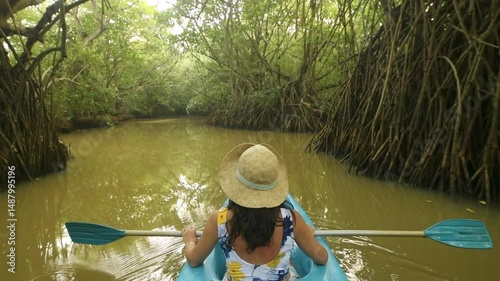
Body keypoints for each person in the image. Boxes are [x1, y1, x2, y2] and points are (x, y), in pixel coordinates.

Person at [182, 143, 328, 281]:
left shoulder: (219, 219)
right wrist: (308, 236)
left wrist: (190, 242)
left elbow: (194, 260)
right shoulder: (291, 219)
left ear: (236, 185)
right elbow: (322, 258)